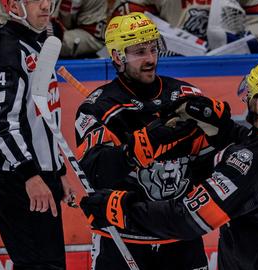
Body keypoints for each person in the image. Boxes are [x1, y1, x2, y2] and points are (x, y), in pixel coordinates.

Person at [79, 62, 258, 269]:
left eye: (251, 93)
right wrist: (223, 129)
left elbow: (188, 218)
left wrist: (122, 209)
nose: (246, 97)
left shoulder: (246, 166)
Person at [74, 12, 214, 270]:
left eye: (153, 49)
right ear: (117, 56)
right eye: (139, 52)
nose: (150, 59)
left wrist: (218, 131)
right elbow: (95, 173)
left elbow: (208, 163)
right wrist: (139, 147)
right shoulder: (98, 108)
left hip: (180, 235)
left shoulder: (184, 95)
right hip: (123, 239)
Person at [0, 0, 75, 269]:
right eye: (34, 0)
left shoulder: (37, 42)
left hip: (38, 173)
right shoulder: (6, 50)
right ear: (12, 5)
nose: (46, 6)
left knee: (50, 263)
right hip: (15, 177)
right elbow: (1, 124)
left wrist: (58, 170)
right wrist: (30, 174)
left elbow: (43, 115)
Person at [110, 0, 258, 53]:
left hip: (229, 66)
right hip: (169, 67)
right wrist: (156, 50)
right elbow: (125, 26)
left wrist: (238, 46)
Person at [0, 0, 107, 59]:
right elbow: (5, 32)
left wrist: (59, 38)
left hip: (71, 59)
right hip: (20, 56)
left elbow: (94, 36)